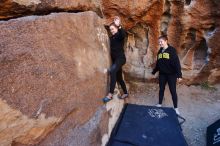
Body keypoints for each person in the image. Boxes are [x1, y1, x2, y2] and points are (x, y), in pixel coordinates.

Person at [152, 35, 182, 115]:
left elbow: (177, 63)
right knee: (161, 89)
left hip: (171, 75)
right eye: (159, 42)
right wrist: (154, 71)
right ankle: (159, 104)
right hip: (162, 74)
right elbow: (158, 63)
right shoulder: (160, 51)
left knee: (173, 91)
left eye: (161, 42)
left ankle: (176, 108)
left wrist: (179, 75)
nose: (160, 43)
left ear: (166, 41)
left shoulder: (172, 50)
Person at [102, 16, 128, 103]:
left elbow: (123, 34)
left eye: (113, 29)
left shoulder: (119, 35)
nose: (111, 30)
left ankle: (110, 94)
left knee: (112, 71)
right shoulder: (112, 38)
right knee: (119, 78)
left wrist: (119, 25)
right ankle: (125, 92)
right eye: (110, 29)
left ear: (116, 28)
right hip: (116, 61)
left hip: (121, 59)